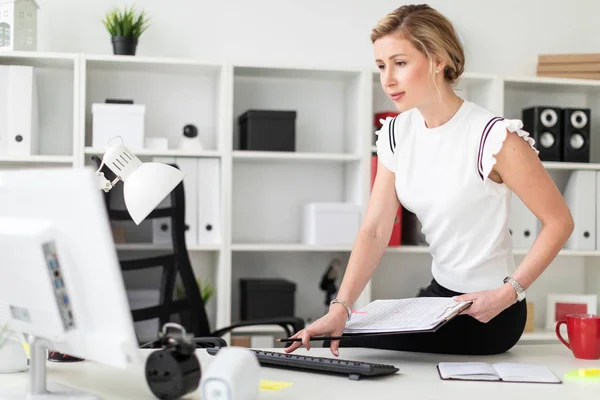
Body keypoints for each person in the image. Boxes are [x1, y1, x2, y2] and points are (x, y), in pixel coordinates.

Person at [285, 4, 574, 357]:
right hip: (439, 297)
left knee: (349, 343)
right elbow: (375, 229)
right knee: (341, 328)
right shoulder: (395, 132)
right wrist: (340, 306)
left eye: (400, 63)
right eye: (381, 66)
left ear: (438, 59)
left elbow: (559, 221)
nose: (387, 79)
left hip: (491, 311)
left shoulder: (493, 137)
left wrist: (507, 293)